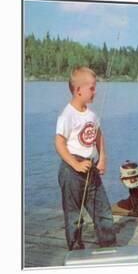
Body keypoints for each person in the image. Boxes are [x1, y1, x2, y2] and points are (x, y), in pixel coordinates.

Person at [54, 66, 116, 250]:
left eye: (95, 87)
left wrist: (102, 157)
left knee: (102, 210)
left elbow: (98, 135)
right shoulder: (67, 115)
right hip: (71, 170)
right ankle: (75, 248)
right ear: (78, 90)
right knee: (74, 215)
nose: (95, 91)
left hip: (91, 168)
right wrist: (75, 164)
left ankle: (108, 245)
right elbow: (59, 143)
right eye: (92, 88)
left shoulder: (92, 114)